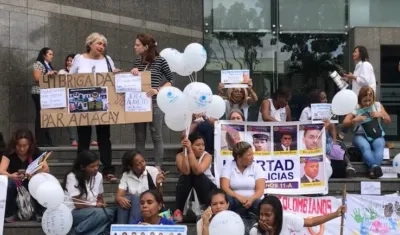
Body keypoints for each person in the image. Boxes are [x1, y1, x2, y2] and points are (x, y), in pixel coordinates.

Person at [69, 32, 121, 183]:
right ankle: (82, 168)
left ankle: (108, 169)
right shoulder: (79, 59)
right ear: (90, 44)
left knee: (104, 137)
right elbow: (69, 78)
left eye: (104, 45)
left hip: (102, 103)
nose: (102, 47)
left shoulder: (107, 60)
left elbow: (112, 80)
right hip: (82, 102)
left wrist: (116, 73)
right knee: (83, 137)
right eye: (99, 43)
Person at [131, 33, 175, 169]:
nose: (135, 47)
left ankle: (158, 166)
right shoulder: (138, 61)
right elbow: (132, 83)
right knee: (139, 137)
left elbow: (171, 79)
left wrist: (158, 89)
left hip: (155, 103)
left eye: (137, 45)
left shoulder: (160, 60)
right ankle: (139, 165)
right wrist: (132, 73)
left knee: (156, 136)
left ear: (145, 46)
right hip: (139, 103)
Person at [62, 151, 116, 235]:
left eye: (97, 165)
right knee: (106, 214)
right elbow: (78, 204)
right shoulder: (72, 176)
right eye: (92, 166)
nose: (96, 168)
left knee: (116, 211)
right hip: (74, 212)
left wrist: (101, 203)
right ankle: (76, 232)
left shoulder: (99, 176)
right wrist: (95, 205)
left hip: (92, 211)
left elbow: (100, 197)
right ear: (82, 167)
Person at [0, 129, 48, 223]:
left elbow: (46, 168)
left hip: (30, 181)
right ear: (15, 144)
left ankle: (40, 212)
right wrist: (10, 175)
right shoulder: (9, 152)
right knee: (9, 184)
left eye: (25, 146)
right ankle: (9, 213)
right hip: (15, 182)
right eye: (19, 146)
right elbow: (1, 170)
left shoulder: (36, 151)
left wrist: (33, 174)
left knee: (39, 182)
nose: (22, 149)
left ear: (29, 145)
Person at [342, 86, 391, 179]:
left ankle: (373, 170)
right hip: (360, 135)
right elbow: (344, 123)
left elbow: (388, 120)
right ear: (360, 99)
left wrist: (380, 115)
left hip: (376, 134)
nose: (368, 103)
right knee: (365, 147)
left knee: (379, 147)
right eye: (365, 101)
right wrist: (355, 119)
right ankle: (375, 167)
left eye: (370, 100)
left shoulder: (377, 105)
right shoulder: (355, 107)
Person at [249, 195, 346, 235]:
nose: (263, 218)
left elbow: (311, 222)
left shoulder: (287, 219)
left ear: (277, 214)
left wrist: (335, 214)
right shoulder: (255, 231)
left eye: (267, 215)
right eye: (261, 215)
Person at [173, 134, 216, 222]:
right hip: (188, 185)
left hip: (206, 186)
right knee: (185, 177)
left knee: (198, 176)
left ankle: (206, 208)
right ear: (190, 145)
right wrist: (186, 152)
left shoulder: (207, 156)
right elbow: (186, 171)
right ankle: (179, 210)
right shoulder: (179, 156)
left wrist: (190, 151)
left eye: (203, 145)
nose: (201, 148)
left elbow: (198, 171)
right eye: (197, 145)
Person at [58, 53, 98, 147]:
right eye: (67, 60)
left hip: (81, 98)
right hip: (68, 99)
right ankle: (73, 139)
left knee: (87, 118)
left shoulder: (82, 71)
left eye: (71, 60)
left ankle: (91, 139)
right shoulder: (62, 72)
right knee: (70, 119)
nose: (69, 62)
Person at [116, 150, 166, 224]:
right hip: (133, 207)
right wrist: (120, 198)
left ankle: (133, 229)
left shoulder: (153, 171)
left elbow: (159, 197)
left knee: (137, 198)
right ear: (130, 167)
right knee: (123, 201)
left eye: (143, 161)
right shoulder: (126, 175)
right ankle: (121, 229)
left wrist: (159, 184)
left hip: (150, 207)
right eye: (138, 164)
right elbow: (119, 195)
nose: (143, 164)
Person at [220, 141, 265, 216]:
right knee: (227, 199)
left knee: (260, 204)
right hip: (235, 200)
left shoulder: (256, 167)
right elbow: (224, 187)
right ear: (239, 157)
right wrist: (239, 197)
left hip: (253, 201)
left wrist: (250, 199)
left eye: (252, 154)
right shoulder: (228, 167)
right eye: (249, 155)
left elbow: (260, 190)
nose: (252, 157)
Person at [31, 47, 55, 147]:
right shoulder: (38, 64)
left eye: (52, 54)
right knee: (41, 116)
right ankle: (40, 140)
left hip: (47, 94)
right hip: (39, 92)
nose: (52, 56)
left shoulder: (48, 65)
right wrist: (48, 74)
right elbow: (37, 78)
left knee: (46, 116)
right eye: (50, 54)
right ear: (44, 55)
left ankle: (47, 140)